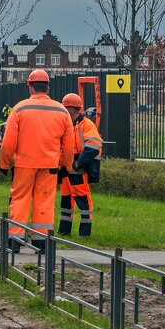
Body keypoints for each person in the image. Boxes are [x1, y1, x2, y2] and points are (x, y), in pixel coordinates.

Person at [0, 69, 75, 253]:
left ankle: (15, 241)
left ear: (30, 87)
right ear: (47, 88)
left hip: (24, 164)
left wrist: (4, 164)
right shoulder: (61, 111)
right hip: (49, 166)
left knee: (20, 200)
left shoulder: (20, 109)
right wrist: (66, 166)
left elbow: (8, 142)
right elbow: (69, 144)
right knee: (45, 202)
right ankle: (42, 242)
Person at [57, 93, 103, 237]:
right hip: (66, 168)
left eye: (65, 108)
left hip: (77, 168)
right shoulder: (66, 124)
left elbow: (94, 145)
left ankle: (84, 233)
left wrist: (79, 163)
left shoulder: (86, 124)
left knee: (82, 201)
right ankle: (64, 231)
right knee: (66, 201)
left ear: (71, 109)